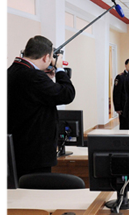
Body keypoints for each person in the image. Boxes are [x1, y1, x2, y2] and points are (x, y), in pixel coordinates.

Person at [5, 35, 76, 178]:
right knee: (34, 190)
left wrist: (47, 80)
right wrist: (60, 70)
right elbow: (67, 94)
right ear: (45, 57)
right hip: (34, 151)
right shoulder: (33, 76)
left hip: (17, 147)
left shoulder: (11, 72)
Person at [112, 58, 129, 130]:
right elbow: (116, 93)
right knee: (124, 125)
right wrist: (117, 107)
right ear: (125, 65)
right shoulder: (120, 77)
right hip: (123, 107)